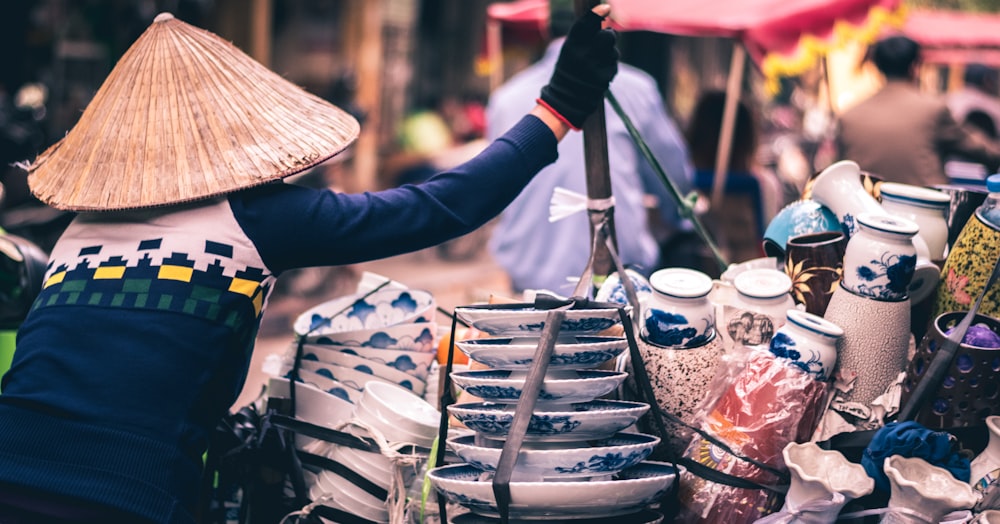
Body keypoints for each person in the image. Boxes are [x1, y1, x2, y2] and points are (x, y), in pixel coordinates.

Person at [0, 6, 618, 524]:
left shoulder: (74, 233)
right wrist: (557, 110)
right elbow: (439, 207)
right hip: (127, 495)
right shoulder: (253, 217)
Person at [486, 1, 693, 295]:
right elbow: (674, 184)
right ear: (607, 24)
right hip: (617, 282)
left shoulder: (505, 99)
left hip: (529, 281)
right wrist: (678, 221)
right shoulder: (635, 89)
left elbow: (498, 190)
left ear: (546, 28)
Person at [836, 35, 1000, 187]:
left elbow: (839, 170)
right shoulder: (933, 109)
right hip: (920, 208)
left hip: (864, 207)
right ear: (915, 67)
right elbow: (982, 150)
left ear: (877, 66)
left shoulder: (850, 117)